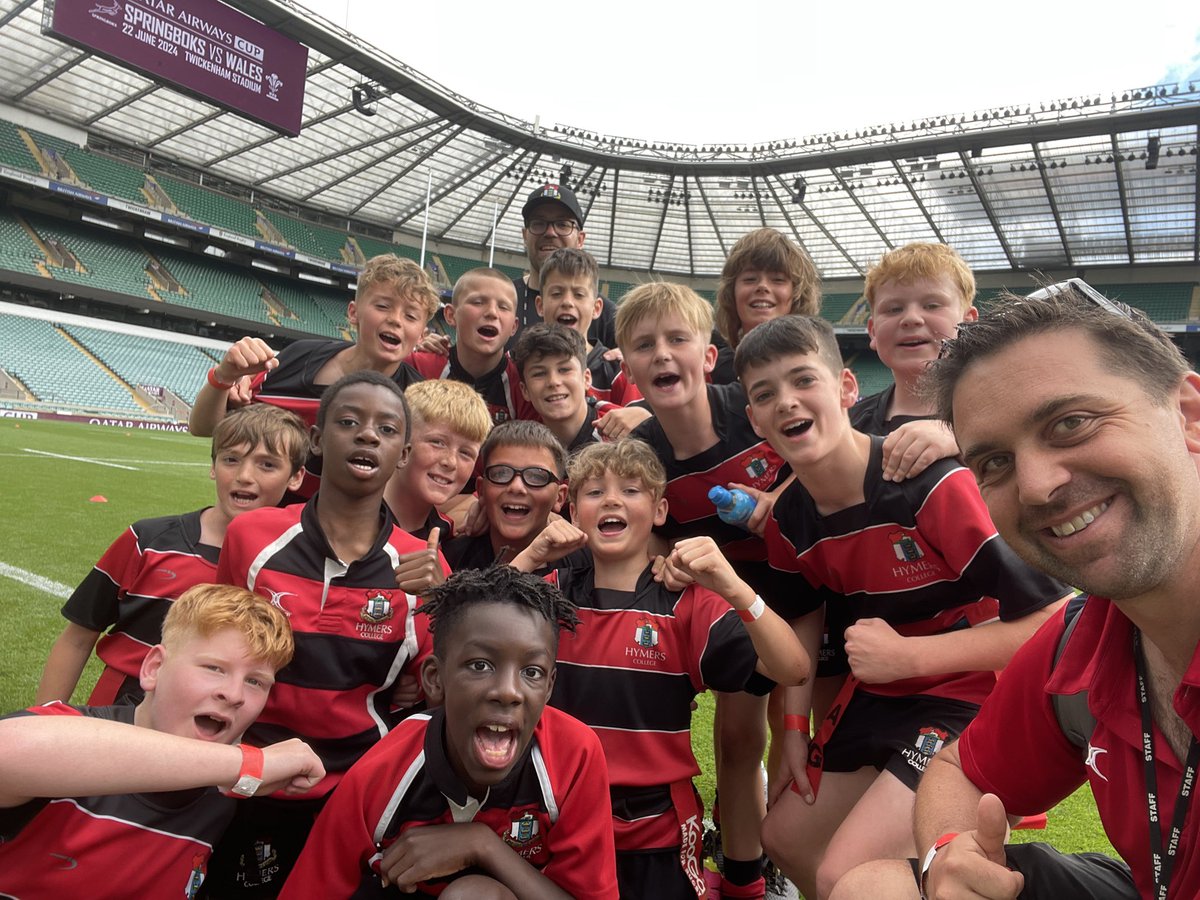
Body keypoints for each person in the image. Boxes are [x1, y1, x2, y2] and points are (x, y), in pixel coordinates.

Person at [831, 283, 1200, 900]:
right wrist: (952, 856)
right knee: (873, 888)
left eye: (1071, 423)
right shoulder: (1085, 636)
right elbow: (956, 770)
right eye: (995, 463)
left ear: (1188, 414)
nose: (1035, 486)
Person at [511, 438, 809, 899]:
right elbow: (471, 631)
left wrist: (733, 586)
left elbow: (792, 668)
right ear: (573, 513)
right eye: (594, 492)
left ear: (660, 511)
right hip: (559, 814)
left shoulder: (687, 603)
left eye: (631, 490)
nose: (611, 499)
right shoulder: (548, 594)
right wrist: (529, 558)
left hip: (657, 831)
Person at [204, 370, 451, 897]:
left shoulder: (422, 565)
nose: (367, 436)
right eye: (348, 422)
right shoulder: (253, 537)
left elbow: (438, 690)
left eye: (386, 430)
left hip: (355, 790)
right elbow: (214, 650)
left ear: (403, 454)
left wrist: (440, 600)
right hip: (247, 777)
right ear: (316, 440)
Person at [620, 282, 821, 899]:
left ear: (709, 356)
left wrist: (776, 502)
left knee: (811, 740)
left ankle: (804, 850)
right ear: (625, 366)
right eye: (644, 345)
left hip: (816, 596)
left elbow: (832, 447)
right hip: (738, 612)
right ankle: (745, 876)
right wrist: (665, 558)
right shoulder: (641, 452)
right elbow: (643, 529)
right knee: (738, 738)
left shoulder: (756, 410)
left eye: (678, 339)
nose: (661, 355)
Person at [279, 565, 618, 900]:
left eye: (532, 671)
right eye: (480, 665)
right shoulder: (380, 774)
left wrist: (481, 844)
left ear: (549, 687)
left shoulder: (575, 754)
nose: (509, 692)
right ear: (434, 678)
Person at [0, 584, 325, 899]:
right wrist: (249, 766)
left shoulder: (229, 799)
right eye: (214, 668)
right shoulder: (74, 732)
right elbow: (10, 749)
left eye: (255, 681)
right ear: (154, 668)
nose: (235, 694)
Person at [37, 404, 308, 707]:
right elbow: (78, 637)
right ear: (212, 465)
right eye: (231, 459)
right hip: (121, 714)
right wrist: (45, 715)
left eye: (267, 465)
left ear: (296, 477)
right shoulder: (149, 541)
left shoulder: (298, 564)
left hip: (220, 724)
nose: (245, 475)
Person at [188, 254, 438, 500]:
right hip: (269, 526)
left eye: (411, 316)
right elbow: (203, 427)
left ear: (422, 335)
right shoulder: (297, 358)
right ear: (353, 313)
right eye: (382, 306)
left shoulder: (418, 402)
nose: (395, 320)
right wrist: (224, 377)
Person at [851, 242, 973, 479]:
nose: (911, 318)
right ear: (873, 331)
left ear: (968, 323)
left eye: (932, 305)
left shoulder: (1001, 413)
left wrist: (961, 438)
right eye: (894, 309)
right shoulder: (849, 424)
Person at [407, 267, 537, 426]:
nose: (492, 313)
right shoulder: (418, 367)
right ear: (450, 315)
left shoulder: (523, 385)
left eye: (503, 307)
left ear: (514, 327)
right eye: (478, 302)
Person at [440, 420, 569, 572]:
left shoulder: (588, 567)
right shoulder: (447, 562)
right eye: (501, 474)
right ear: (481, 490)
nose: (516, 487)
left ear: (559, 497)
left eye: (536, 476)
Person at [383, 379, 492, 543]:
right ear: (400, 440)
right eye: (437, 443)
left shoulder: (446, 535)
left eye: (466, 453)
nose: (451, 462)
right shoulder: (346, 516)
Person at [711, 226, 821, 385]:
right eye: (750, 279)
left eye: (777, 279)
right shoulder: (712, 372)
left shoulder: (817, 367)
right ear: (732, 293)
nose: (762, 286)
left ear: (797, 294)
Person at [513, 182, 617, 349]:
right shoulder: (503, 303)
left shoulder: (606, 316)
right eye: (539, 223)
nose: (550, 232)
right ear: (525, 235)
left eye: (562, 224)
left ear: (580, 239)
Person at [537, 247, 640, 407]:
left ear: (596, 308)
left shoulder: (617, 371)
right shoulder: (524, 364)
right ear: (540, 305)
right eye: (557, 293)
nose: (567, 302)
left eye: (579, 294)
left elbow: (637, 426)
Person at [513, 323, 605, 453]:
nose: (553, 382)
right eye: (539, 373)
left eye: (564, 369)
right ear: (525, 390)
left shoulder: (620, 437)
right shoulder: (518, 448)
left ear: (586, 378)